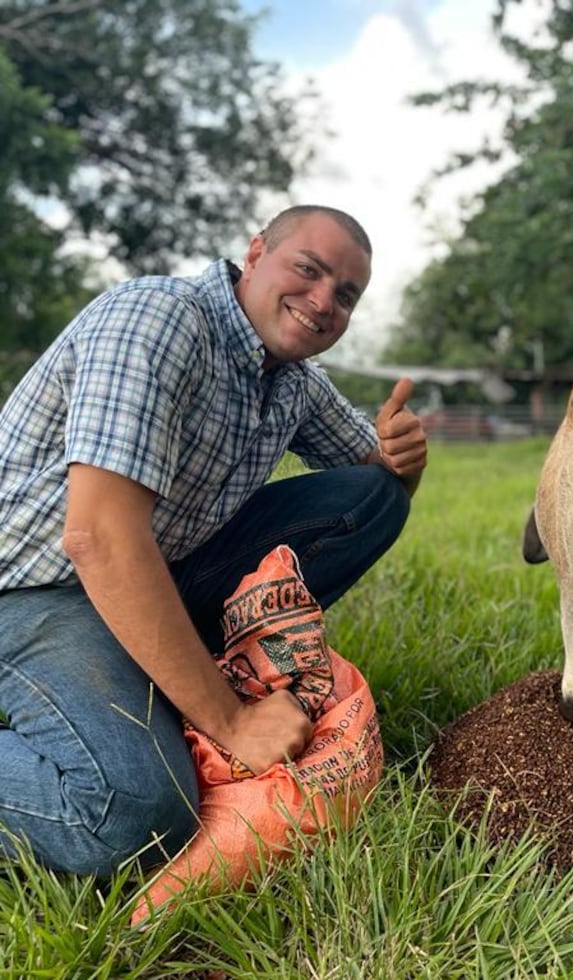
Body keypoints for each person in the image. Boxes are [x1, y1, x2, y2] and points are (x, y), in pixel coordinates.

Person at [0, 204, 427, 876]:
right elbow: (97, 537)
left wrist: (405, 459)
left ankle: (185, 665)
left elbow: (374, 471)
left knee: (370, 501)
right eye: (308, 271)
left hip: (151, 571)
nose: (323, 303)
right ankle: (175, 697)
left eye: (345, 295)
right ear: (255, 253)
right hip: (32, 589)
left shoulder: (291, 382)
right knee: (139, 812)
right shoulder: (159, 319)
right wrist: (230, 723)